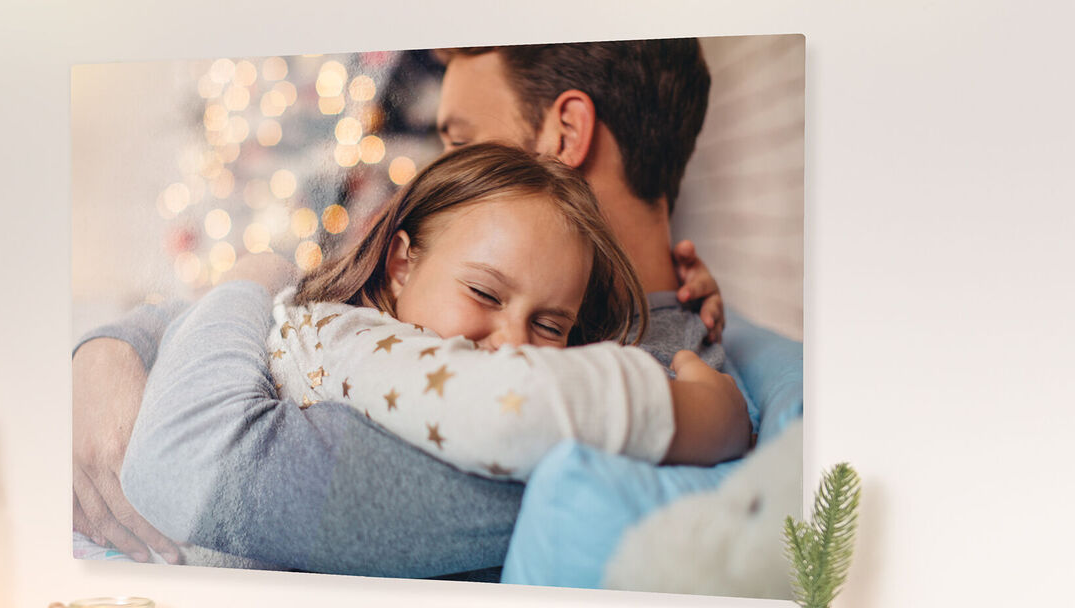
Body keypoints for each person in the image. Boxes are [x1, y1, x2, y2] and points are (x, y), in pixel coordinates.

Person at [73, 39, 729, 576]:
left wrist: (258, 271)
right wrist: (113, 344)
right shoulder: (617, 341)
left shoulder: (591, 393)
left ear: (566, 133)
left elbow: (193, 463)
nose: (441, 173)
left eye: (462, 140)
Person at [271, 143, 747, 485]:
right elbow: (513, 409)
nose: (515, 342)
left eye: (549, 325)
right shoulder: (342, 339)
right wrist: (709, 417)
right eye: (484, 293)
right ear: (401, 264)